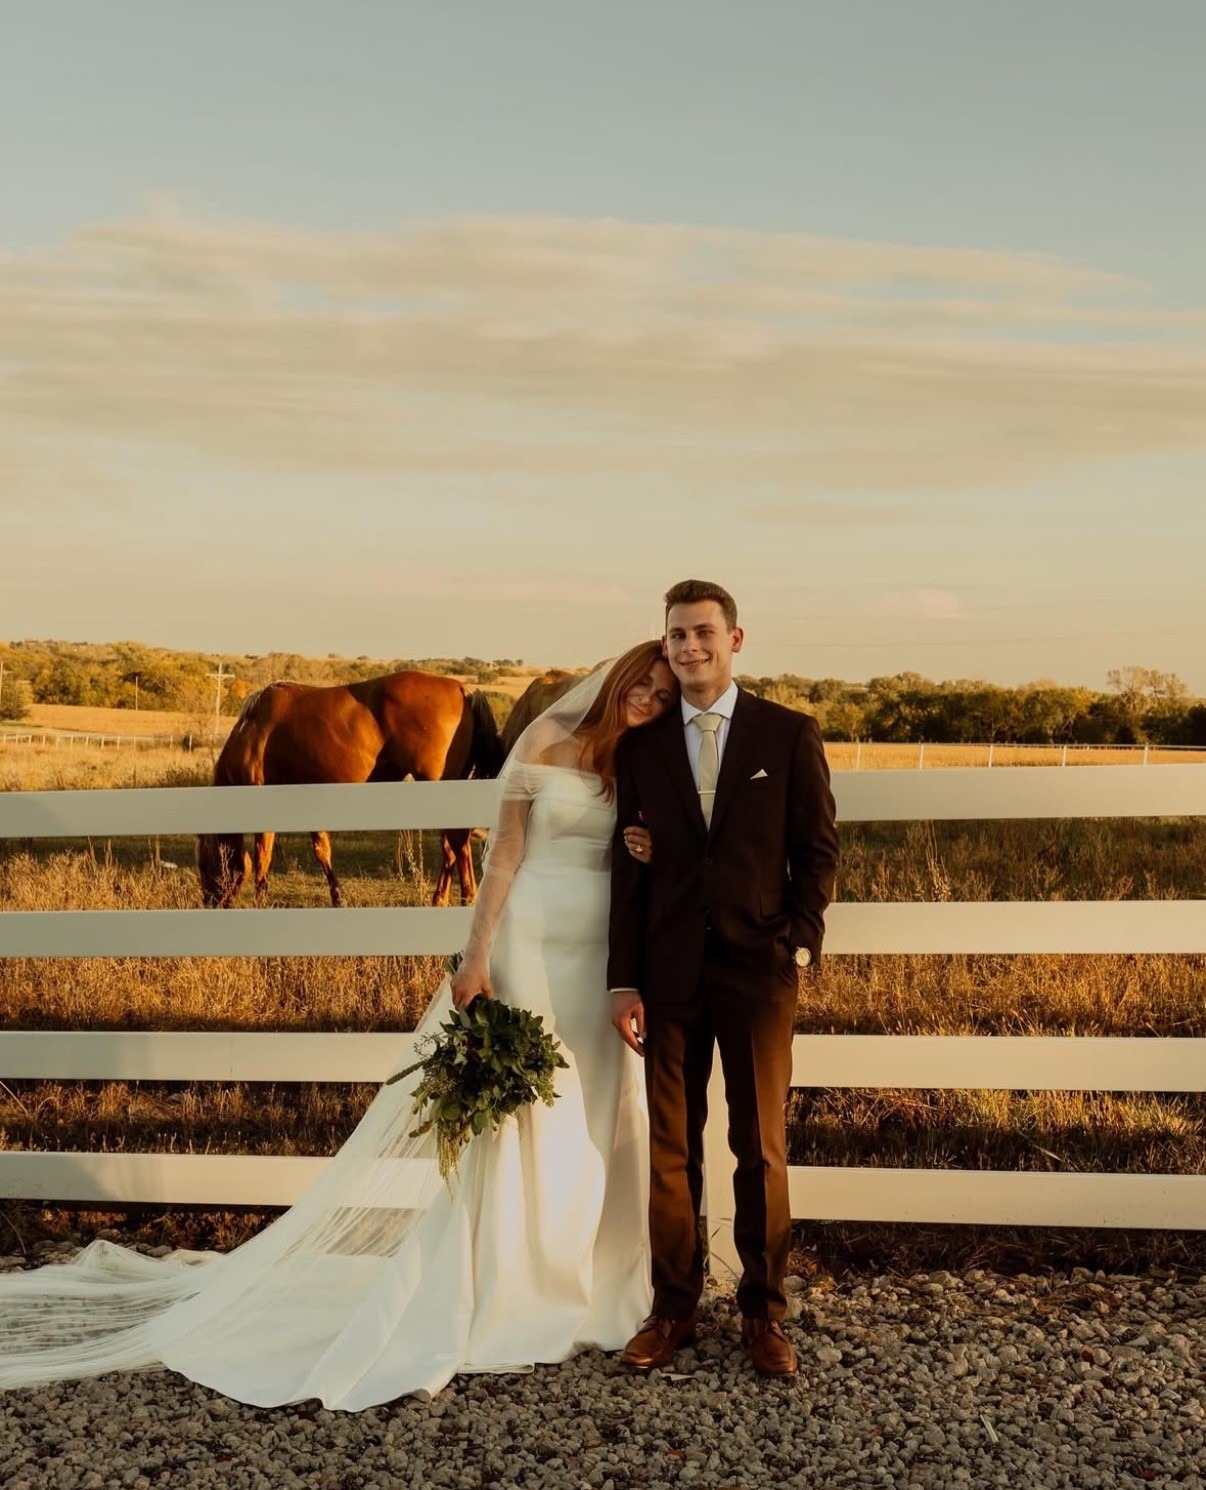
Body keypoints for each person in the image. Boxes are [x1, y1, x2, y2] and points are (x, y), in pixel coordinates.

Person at [0, 642, 677, 1408]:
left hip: (604, 955)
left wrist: (648, 848)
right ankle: (511, 1278)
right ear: (617, 680)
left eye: (661, 694)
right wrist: (476, 954)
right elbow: (503, 860)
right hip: (530, 940)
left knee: (596, 1111)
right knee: (520, 1117)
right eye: (641, 687)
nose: (649, 701)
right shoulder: (546, 744)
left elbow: (663, 857)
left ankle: (597, 1274)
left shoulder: (647, 761)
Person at [608, 580, 839, 1378]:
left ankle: (764, 1315)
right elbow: (626, 871)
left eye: (704, 632)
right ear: (665, 644)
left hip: (760, 971)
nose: (690, 647)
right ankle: (673, 1310)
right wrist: (620, 980)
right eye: (677, 635)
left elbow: (817, 853)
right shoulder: (640, 749)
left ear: (735, 640)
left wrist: (800, 945)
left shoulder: (787, 734)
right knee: (669, 1150)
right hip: (667, 973)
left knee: (761, 1148)